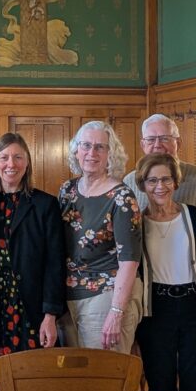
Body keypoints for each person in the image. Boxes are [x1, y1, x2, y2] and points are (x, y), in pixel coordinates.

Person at [133, 153, 196, 391]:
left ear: (176, 182)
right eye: (152, 180)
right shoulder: (135, 223)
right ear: (142, 185)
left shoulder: (194, 216)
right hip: (155, 311)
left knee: (195, 385)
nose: (160, 186)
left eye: (166, 180)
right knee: (160, 384)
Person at [0, 133, 66, 381]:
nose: (11, 164)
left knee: (30, 375)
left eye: (18, 157)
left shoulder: (45, 204)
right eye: (4, 157)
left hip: (29, 305)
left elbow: (54, 263)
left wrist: (50, 315)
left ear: (27, 163)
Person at [58, 120, 143, 353]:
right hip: (69, 298)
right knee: (75, 376)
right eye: (86, 145)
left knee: (104, 377)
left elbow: (130, 260)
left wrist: (116, 312)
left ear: (110, 154)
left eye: (100, 147)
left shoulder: (121, 197)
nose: (91, 153)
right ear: (76, 150)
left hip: (106, 297)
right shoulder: (67, 191)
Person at [123, 114, 196, 279]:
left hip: (192, 279)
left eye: (164, 138)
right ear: (143, 144)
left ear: (178, 143)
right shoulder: (129, 181)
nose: (157, 145)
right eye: (150, 140)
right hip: (145, 281)